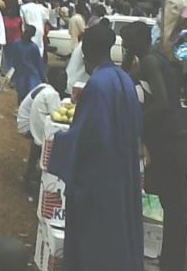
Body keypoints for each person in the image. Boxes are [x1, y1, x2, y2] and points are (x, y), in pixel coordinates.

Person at [48, 24, 144, 271]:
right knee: (119, 232)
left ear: (86, 52)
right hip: (124, 171)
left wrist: (57, 140)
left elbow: (87, 136)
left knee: (96, 240)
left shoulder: (98, 86)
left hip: (100, 177)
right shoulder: (123, 78)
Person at [121, 21, 187, 271]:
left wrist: (138, 120)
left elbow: (162, 102)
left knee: (175, 209)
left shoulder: (149, 61)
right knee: (173, 208)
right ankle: (170, 262)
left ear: (139, 40)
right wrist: (128, 57)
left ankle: (172, 264)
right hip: (169, 142)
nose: (125, 44)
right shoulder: (150, 59)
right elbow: (123, 79)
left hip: (171, 143)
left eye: (127, 40)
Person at [16, 67, 66, 193]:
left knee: (39, 143)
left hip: (23, 122)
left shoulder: (44, 87)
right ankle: (39, 179)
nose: (64, 84)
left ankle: (29, 174)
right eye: (62, 81)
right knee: (50, 142)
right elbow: (56, 118)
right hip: (28, 126)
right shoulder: (52, 94)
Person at [11, 25, 46, 103]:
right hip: (21, 73)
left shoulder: (33, 47)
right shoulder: (17, 44)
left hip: (31, 74)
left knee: (31, 94)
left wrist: (43, 77)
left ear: (32, 35)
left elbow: (38, 63)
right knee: (21, 92)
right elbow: (13, 59)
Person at [1, 0, 22, 79]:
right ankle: (10, 77)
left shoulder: (19, 20)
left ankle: (14, 77)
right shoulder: (4, 19)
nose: (10, 11)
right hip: (7, 43)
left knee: (16, 61)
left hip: (17, 43)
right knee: (8, 61)